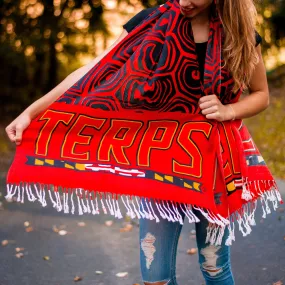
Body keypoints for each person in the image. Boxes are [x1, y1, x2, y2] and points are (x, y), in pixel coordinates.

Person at [5, 0, 269, 285]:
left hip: (216, 163)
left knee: (215, 268)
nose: (184, 1)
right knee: (155, 277)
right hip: (161, 161)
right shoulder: (148, 23)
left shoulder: (239, 33)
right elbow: (93, 71)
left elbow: (261, 94)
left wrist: (229, 110)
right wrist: (31, 112)